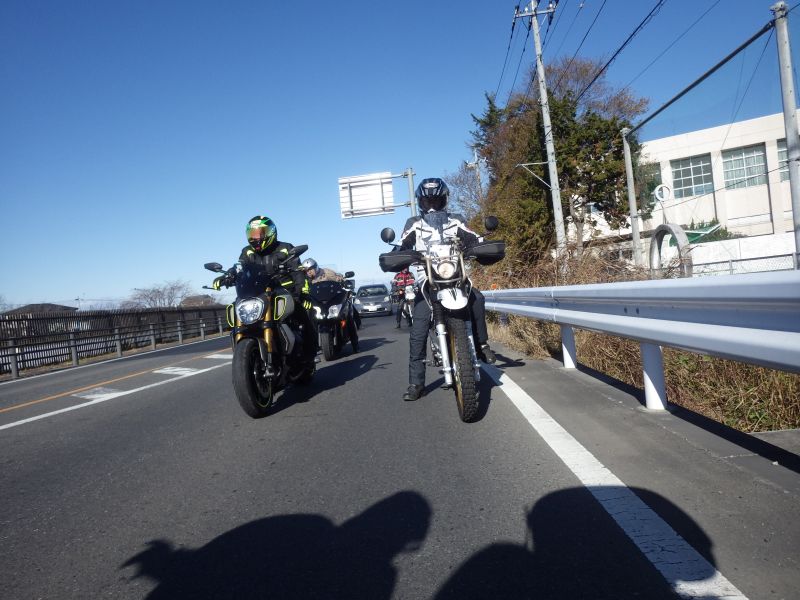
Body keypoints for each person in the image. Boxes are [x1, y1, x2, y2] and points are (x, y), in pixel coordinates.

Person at [398, 178, 496, 402]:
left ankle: (481, 344)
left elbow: (471, 236)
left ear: (444, 200)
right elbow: (404, 243)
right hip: (427, 280)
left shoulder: (456, 220)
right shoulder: (413, 223)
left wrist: (480, 245)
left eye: (436, 201)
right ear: (421, 203)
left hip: (455, 275)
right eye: (427, 202)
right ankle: (416, 383)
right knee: (419, 328)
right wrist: (400, 253)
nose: (432, 206)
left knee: (478, 299)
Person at [213, 215, 318, 367]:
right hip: (258, 294)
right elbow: (240, 268)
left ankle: (310, 354)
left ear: (270, 233)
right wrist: (227, 276)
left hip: (285, 292)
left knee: (305, 314)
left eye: (259, 234)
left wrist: (303, 293)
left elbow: (298, 272)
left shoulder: (285, 248)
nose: (255, 238)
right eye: (252, 234)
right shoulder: (247, 252)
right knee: (237, 310)